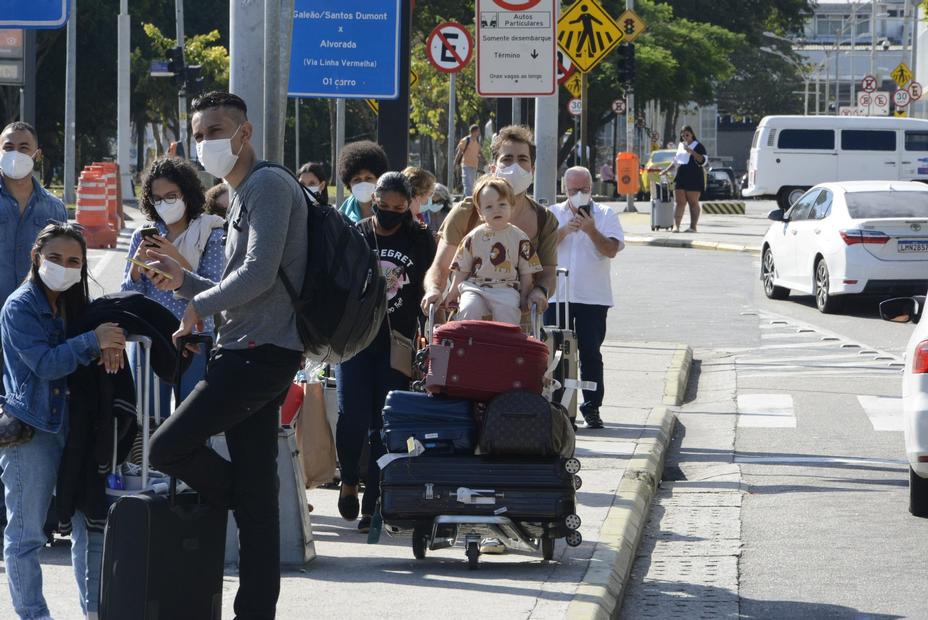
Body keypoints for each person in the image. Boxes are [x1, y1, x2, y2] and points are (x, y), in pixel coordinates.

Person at [143, 91, 307, 620]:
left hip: (261, 353)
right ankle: (255, 611)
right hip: (244, 346)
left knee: (167, 447)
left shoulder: (268, 185)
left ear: (245, 133)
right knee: (259, 498)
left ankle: (239, 499)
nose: (206, 141)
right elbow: (237, 283)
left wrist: (198, 308)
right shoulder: (237, 195)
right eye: (199, 134)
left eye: (216, 130)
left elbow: (259, 274)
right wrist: (183, 281)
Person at [0, 223, 125, 620]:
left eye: (73, 261)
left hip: (75, 429)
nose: (63, 266)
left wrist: (106, 345)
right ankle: (34, 615)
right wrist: (93, 342)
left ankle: (94, 611)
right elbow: (46, 364)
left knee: (88, 523)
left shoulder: (74, 306)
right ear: (36, 257)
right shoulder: (20, 307)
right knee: (26, 535)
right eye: (54, 258)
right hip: (31, 433)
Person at [336, 172, 436, 532]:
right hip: (356, 339)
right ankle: (349, 479)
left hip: (398, 343)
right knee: (352, 415)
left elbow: (430, 281)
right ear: (374, 199)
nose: (391, 213)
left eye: (399, 207)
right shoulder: (356, 234)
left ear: (408, 204)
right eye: (385, 205)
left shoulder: (420, 239)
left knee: (385, 422)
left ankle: (374, 502)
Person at [0, 121, 68, 533]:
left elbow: (66, 269)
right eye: (9, 145)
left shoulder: (54, 210)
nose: (16, 152)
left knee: (21, 420)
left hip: (31, 335)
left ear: (38, 154)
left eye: (24, 146)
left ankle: (26, 515)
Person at [421, 125, 558, 327]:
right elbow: (441, 267)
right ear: (493, 168)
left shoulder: (544, 219)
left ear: (533, 169)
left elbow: (547, 274)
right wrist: (434, 289)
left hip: (521, 327)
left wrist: (539, 292)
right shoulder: (465, 212)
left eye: (522, 160)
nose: (515, 167)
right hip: (468, 325)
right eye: (507, 159)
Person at [122, 157, 225, 418]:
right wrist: (137, 267)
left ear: (187, 194)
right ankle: (145, 460)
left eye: (171, 196)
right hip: (150, 339)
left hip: (192, 339)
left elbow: (214, 290)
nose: (164, 204)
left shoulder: (210, 232)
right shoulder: (144, 235)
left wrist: (174, 257)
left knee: (191, 421)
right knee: (148, 419)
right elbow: (128, 296)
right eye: (157, 198)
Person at [546, 166, 624, 430]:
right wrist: (564, 231)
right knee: (556, 353)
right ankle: (558, 408)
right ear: (564, 190)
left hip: (593, 297)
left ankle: (592, 407)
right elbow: (539, 249)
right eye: (573, 190)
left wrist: (591, 230)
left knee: (590, 352)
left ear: (592, 188)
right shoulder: (553, 214)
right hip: (558, 295)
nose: (578, 194)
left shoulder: (605, 214)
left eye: (583, 190)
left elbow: (611, 249)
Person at [444, 177, 541, 325]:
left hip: (506, 288)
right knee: (469, 308)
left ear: (512, 207)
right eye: (489, 207)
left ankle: (505, 347)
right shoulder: (473, 237)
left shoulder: (520, 238)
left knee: (508, 313)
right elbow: (462, 267)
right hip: (475, 287)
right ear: (480, 212)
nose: (496, 210)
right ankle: (469, 345)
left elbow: (526, 272)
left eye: (502, 204)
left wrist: (524, 295)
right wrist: (453, 291)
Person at [337, 141, 389, 223]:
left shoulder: (390, 211)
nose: (363, 183)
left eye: (368, 178)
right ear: (349, 184)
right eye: (356, 179)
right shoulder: (340, 219)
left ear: (379, 180)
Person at [671, 125, 707, 233]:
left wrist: (691, 151)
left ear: (692, 134)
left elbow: (703, 161)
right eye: (683, 135)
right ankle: (676, 226)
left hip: (694, 176)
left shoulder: (699, 146)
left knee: (693, 202)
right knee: (679, 202)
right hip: (681, 175)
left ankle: (693, 227)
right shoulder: (681, 146)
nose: (685, 137)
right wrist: (666, 170)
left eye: (687, 134)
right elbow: (676, 161)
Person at [454, 124, 482, 196]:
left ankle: (466, 197)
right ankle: (468, 199)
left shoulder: (477, 141)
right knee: (467, 183)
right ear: (474, 131)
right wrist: (456, 162)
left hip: (474, 165)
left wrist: (484, 160)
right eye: (478, 131)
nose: (479, 133)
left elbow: (479, 152)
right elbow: (460, 152)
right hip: (466, 165)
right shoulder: (465, 140)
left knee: (471, 184)